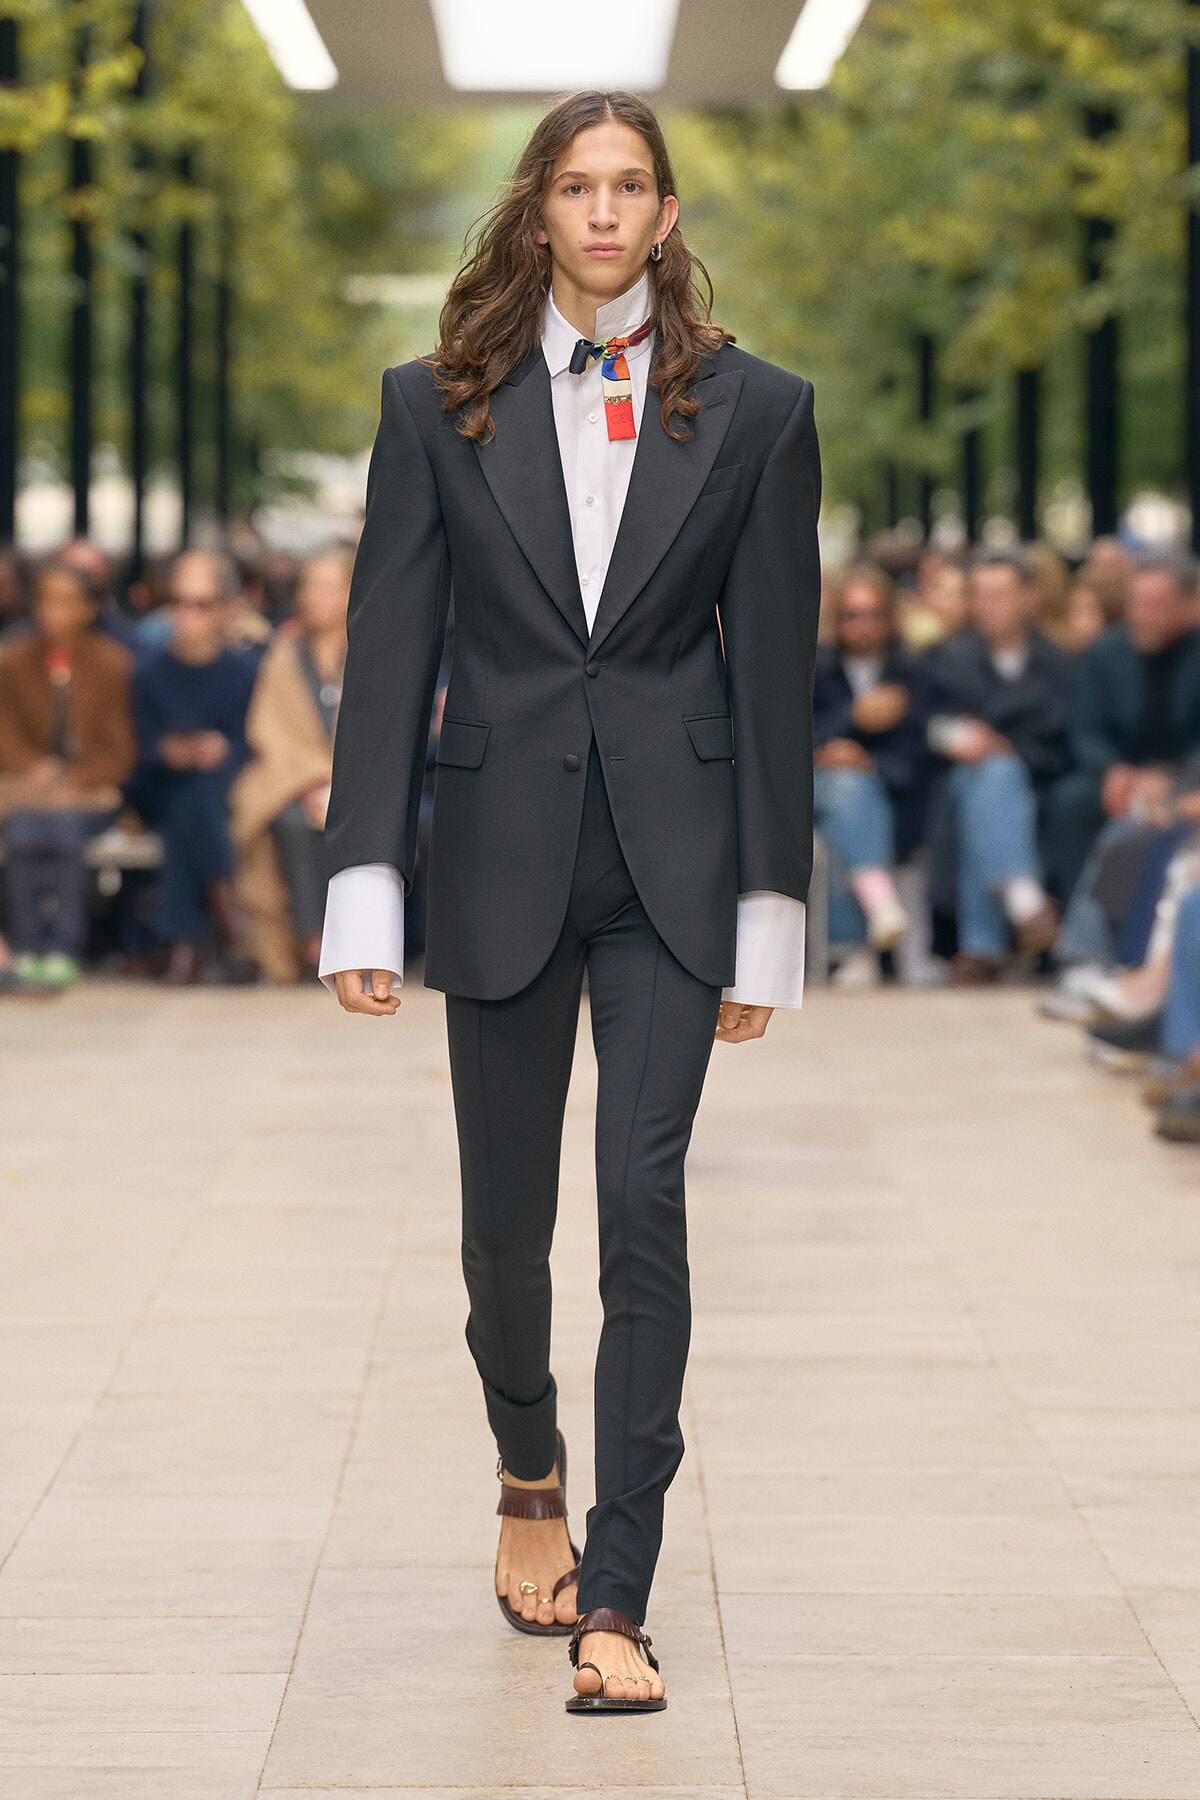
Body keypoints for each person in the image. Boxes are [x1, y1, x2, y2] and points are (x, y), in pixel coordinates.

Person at [318, 90, 820, 1712]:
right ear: (538, 210)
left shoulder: (758, 410)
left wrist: (771, 907)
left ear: (665, 215)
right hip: (499, 856)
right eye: (577, 186)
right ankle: (526, 1469)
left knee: (645, 1204)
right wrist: (362, 889)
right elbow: (392, 655)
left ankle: (618, 1596)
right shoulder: (436, 406)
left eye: (631, 187)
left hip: (674, 863)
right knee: (502, 1232)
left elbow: (774, 679)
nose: (604, 213)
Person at [928, 550, 1071, 982]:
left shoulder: (1059, 664)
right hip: (956, 777)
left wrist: (1007, 748)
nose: (987, 607)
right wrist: (958, 739)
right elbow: (929, 723)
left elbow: (1068, 739)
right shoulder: (950, 657)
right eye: (980, 595)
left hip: (1039, 779)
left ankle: (982, 946)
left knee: (994, 778)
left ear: (1028, 598)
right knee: (988, 776)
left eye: (999, 595)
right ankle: (1024, 900)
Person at [0, 556, 135, 985]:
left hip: (87, 791)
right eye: (46, 601)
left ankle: (63, 943)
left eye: (65, 602)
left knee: (62, 834)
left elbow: (120, 744)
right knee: (22, 834)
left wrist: (84, 775)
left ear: (88, 608)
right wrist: (31, 767)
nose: (53, 612)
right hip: (28, 788)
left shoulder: (113, 663)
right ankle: (28, 944)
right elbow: (5, 731)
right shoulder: (14, 660)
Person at [129, 550, 258, 984]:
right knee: (190, 793)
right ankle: (229, 922)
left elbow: (250, 743)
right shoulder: (148, 671)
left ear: (224, 607)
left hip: (214, 793)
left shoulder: (243, 672)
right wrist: (170, 753)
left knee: (194, 797)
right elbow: (134, 753)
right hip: (155, 791)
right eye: (179, 602)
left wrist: (221, 749)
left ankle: (186, 940)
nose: (187, 615)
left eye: (200, 604)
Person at [1047, 552, 1200, 905]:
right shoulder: (1107, 650)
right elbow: (1085, 728)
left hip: (1187, 777)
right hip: (1119, 771)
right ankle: (1080, 918)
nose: (1138, 616)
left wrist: (1170, 777)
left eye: (1153, 606)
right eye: (1136, 604)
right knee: (1072, 801)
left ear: (1187, 606)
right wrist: (1112, 770)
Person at [811, 562, 936, 984]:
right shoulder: (812, 667)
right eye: (852, 615)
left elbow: (922, 753)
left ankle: (855, 951)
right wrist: (854, 718)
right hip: (816, 789)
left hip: (895, 797)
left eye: (874, 614)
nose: (863, 625)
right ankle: (877, 907)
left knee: (850, 800)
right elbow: (793, 736)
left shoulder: (913, 673)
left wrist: (868, 763)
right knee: (845, 791)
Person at [230, 549, 349, 980]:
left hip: (357, 783)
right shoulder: (285, 651)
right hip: (292, 782)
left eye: (325, 586)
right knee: (290, 823)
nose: (312, 596)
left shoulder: (373, 650)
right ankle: (310, 942)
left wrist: (339, 782)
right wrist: (313, 781)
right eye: (307, 585)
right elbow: (270, 729)